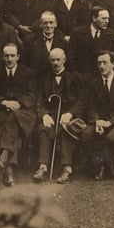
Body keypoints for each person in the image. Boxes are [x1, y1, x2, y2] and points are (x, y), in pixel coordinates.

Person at [81, 51, 114, 182]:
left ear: (113, 64)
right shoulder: (94, 84)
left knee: (112, 137)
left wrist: (110, 122)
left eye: (105, 62)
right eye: (99, 63)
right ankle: (100, 165)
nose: (101, 66)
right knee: (86, 134)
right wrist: (97, 122)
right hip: (102, 121)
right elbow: (92, 107)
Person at [0, 43, 38, 187]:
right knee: (9, 122)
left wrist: (19, 103)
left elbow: (34, 95)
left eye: (12, 56)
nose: (9, 59)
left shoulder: (28, 73)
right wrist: (4, 102)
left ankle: (5, 162)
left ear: (18, 57)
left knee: (11, 120)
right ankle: (8, 169)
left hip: (24, 114)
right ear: (2, 57)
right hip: (3, 112)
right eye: (6, 56)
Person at [33, 48, 83, 184]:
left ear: (64, 60)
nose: (55, 63)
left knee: (66, 129)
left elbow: (81, 101)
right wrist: (44, 114)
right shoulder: (43, 78)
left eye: (58, 60)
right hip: (50, 114)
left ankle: (67, 169)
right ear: (49, 61)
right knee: (43, 128)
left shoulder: (76, 77)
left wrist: (70, 113)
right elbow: (38, 100)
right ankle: (42, 166)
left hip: (68, 114)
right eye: (52, 60)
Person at [67, 6, 114, 77]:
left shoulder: (110, 34)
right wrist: (76, 75)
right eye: (103, 18)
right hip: (82, 77)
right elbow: (70, 57)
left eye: (108, 19)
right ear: (94, 18)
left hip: (102, 77)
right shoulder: (77, 33)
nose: (107, 21)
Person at [22, 11, 69, 77]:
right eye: (45, 23)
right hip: (35, 80)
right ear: (40, 24)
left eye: (51, 22)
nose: (48, 26)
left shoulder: (63, 42)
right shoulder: (29, 41)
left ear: (56, 24)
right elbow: (24, 64)